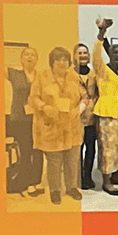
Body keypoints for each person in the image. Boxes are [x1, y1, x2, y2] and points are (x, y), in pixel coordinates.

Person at [29, 46, 90, 205]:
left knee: (72, 160)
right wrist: (44, 107)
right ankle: (55, 190)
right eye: (58, 60)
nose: (62, 63)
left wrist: (80, 108)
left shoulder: (74, 77)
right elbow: (33, 98)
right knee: (54, 162)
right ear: (52, 62)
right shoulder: (42, 77)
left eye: (65, 60)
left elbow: (85, 96)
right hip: (52, 126)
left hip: (72, 127)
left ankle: (72, 187)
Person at [92, 17, 118, 195]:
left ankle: (116, 175)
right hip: (106, 113)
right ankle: (107, 181)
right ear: (110, 54)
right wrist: (102, 33)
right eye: (115, 52)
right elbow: (95, 55)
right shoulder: (102, 69)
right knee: (107, 146)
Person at [6, 46, 44, 196]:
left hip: (38, 119)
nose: (30, 57)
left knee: (39, 151)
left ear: (36, 59)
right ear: (21, 59)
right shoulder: (14, 74)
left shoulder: (41, 77)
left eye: (33, 55)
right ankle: (27, 184)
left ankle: (35, 182)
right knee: (26, 152)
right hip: (20, 119)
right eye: (26, 55)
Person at [76, 43, 99, 191]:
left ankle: (88, 176)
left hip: (91, 117)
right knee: (77, 149)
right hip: (75, 118)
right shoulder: (70, 75)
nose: (83, 56)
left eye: (85, 53)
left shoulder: (94, 74)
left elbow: (98, 93)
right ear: (74, 56)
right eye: (80, 53)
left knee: (90, 148)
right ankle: (77, 177)